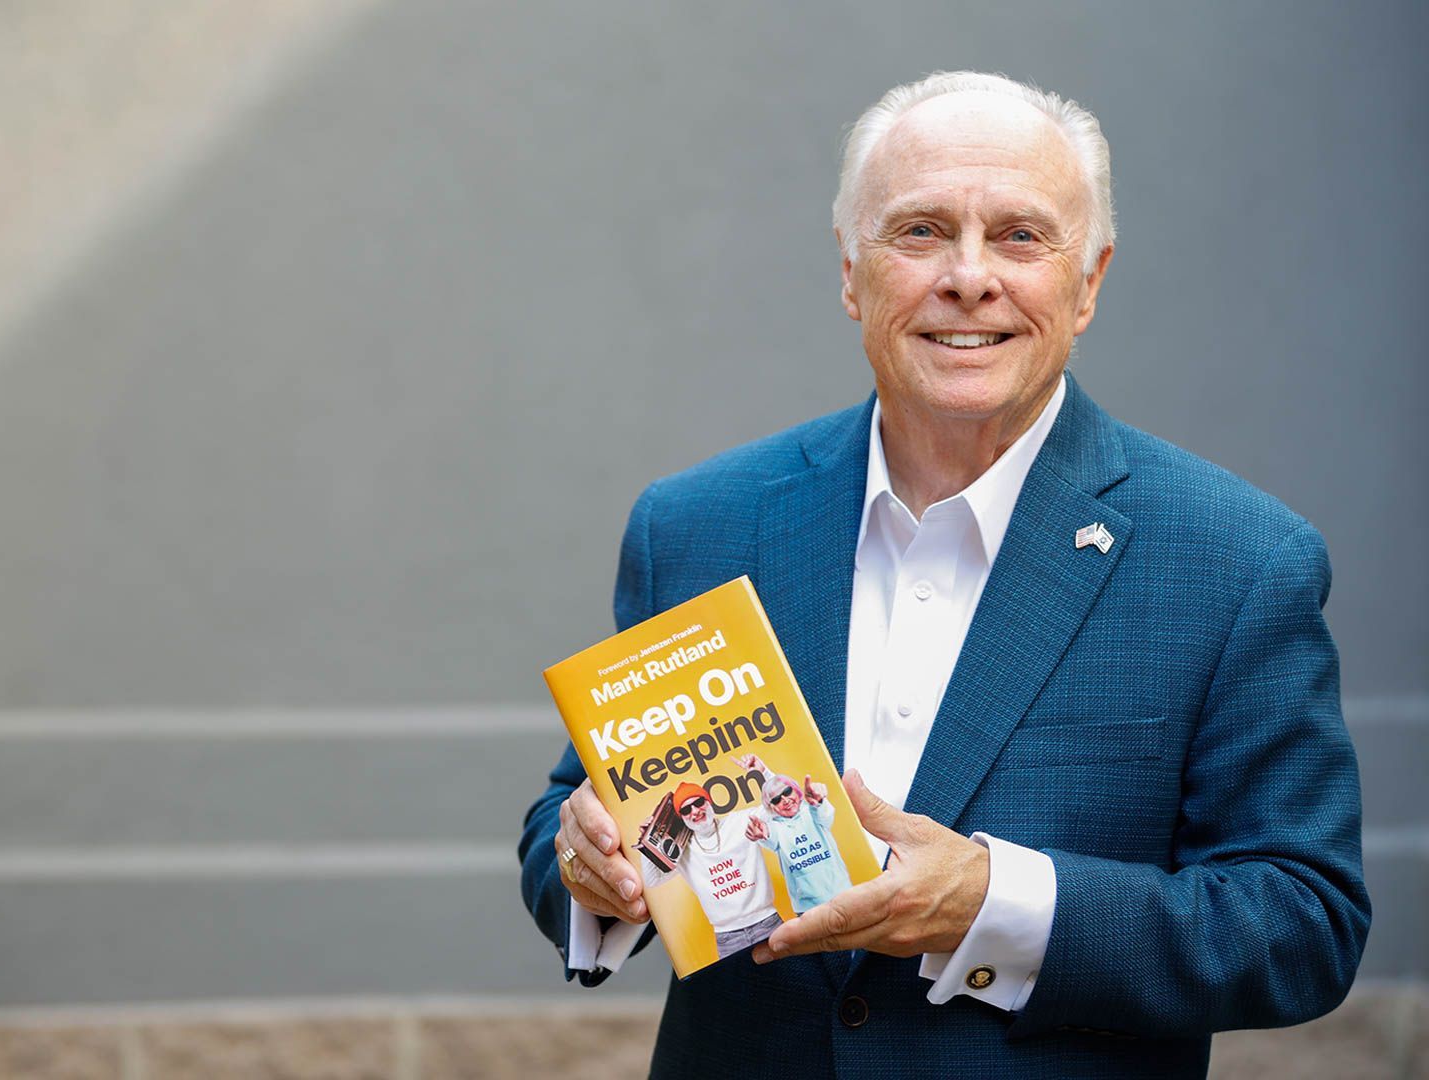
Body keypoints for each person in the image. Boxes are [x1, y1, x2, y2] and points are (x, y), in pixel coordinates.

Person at [519, 71, 1368, 1078]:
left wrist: (996, 907)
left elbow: (1302, 921)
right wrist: (590, 869)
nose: (969, 277)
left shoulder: (1234, 561)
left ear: (1088, 281)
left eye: (1019, 236)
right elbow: (579, 814)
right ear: (849, 274)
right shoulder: (699, 525)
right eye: (919, 232)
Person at [639, 780, 782, 959]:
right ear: (682, 817)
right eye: (686, 810)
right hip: (727, 937)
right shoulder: (680, 849)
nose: (695, 812)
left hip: (767, 922)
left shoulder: (741, 821)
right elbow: (652, 880)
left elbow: (777, 802)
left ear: (709, 802)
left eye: (698, 803)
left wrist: (763, 772)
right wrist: (646, 840)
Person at [738, 756, 853, 914]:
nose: (785, 800)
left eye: (787, 792)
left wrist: (765, 771)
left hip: (843, 896)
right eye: (777, 800)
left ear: (797, 791)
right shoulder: (774, 828)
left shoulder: (813, 810)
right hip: (807, 909)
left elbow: (824, 814)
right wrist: (761, 836)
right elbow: (768, 836)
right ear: (772, 808)